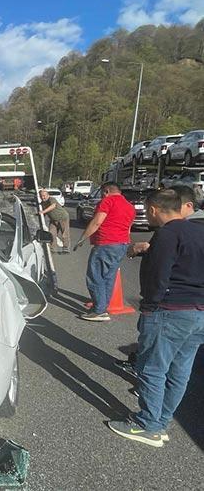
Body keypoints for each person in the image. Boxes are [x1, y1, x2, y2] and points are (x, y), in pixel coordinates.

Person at [108, 189, 204, 447]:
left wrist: (149, 308)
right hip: (199, 313)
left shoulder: (167, 234)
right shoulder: (198, 231)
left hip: (169, 311)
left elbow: (158, 275)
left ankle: (148, 425)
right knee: (180, 371)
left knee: (152, 369)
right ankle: (161, 421)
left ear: (153, 209)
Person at [73, 182, 135, 321]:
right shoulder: (129, 206)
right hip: (121, 243)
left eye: (102, 192)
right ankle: (103, 306)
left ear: (106, 191)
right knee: (109, 277)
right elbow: (128, 227)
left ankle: (99, 310)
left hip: (106, 243)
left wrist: (82, 239)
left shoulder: (107, 201)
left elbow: (97, 222)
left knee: (95, 277)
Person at [39, 189, 71, 254]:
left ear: (48, 195)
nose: (43, 197)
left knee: (64, 233)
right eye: (41, 196)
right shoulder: (42, 203)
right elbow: (43, 214)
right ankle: (53, 249)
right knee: (51, 233)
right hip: (53, 220)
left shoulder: (52, 199)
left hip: (62, 218)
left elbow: (53, 206)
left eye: (44, 195)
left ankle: (66, 248)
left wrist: (43, 212)